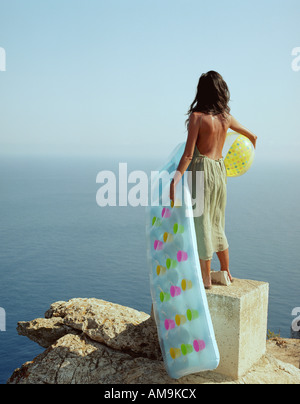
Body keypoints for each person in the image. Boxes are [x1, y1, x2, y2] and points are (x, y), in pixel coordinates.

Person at [170, 71, 257, 289]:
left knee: (202, 224)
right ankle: (226, 271)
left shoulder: (197, 117)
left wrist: (175, 180)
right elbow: (252, 136)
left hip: (201, 171)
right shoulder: (226, 117)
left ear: (202, 91)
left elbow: (189, 155)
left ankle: (206, 278)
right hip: (220, 171)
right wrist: (249, 153)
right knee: (218, 221)